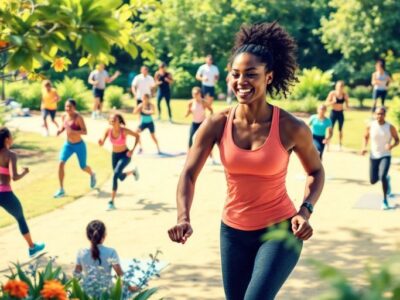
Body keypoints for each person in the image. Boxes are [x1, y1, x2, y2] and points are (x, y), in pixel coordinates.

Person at [168, 22, 324, 300]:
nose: (242, 81)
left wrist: (305, 211)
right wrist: (183, 217)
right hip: (233, 232)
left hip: (280, 230)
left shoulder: (290, 127)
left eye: (251, 74)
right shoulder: (216, 124)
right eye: (235, 74)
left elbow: (315, 171)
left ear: (269, 77)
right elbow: (189, 174)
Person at [0, 127, 45, 257]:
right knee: (20, 218)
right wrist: (24, 172)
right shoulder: (10, 154)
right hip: (5, 194)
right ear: (7, 139)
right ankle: (32, 248)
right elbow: (14, 177)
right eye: (11, 136)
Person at [74, 220, 138, 293]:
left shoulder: (81, 252)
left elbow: (77, 274)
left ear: (87, 236)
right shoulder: (111, 252)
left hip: (87, 293)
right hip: (107, 293)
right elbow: (119, 273)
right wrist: (130, 288)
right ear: (104, 235)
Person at [54, 99, 96, 198]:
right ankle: (61, 189)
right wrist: (60, 131)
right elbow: (64, 127)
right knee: (61, 163)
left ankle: (92, 174)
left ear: (74, 107)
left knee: (83, 166)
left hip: (79, 145)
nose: (68, 109)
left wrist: (74, 131)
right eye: (66, 106)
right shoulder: (64, 116)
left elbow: (85, 132)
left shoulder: (78, 118)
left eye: (70, 107)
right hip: (68, 145)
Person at [98, 114, 140, 211]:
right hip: (115, 156)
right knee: (120, 177)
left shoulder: (124, 131)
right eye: (111, 119)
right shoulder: (108, 131)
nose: (112, 120)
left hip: (125, 155)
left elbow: (137, 136)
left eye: (114, 119)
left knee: (115, 175)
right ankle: (133, 172)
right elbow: (102, 143)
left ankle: (111, 202)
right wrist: (100, 142)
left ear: (119, 121)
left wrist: (132, 150)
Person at [361, 107, 399, 210]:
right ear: (374, 114)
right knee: (373, 180)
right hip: (373, 156)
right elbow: (365, 137)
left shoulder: (390, 127)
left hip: (385, 155)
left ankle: (385, 200)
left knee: (382, 176)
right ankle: (387, 179)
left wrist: (391, 146)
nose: (379, 116)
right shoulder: (370, 126)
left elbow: (397, 140)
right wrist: (364, 147)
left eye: (381, 114)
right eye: (377, 114)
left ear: (385, 115)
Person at [325, 80, 349, 150]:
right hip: (333, 113)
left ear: (343, 87)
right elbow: (326, 103)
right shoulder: (332, 93)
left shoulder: (345, 95)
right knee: (330, 129)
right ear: (336, 86)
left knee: (340, 130)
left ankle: (340, 145)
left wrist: (346, 106)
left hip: (340, 113)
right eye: (338, 86)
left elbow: (347, 106)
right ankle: (328, 144)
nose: (340, 88)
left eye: (341, 86)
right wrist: (333, 102)